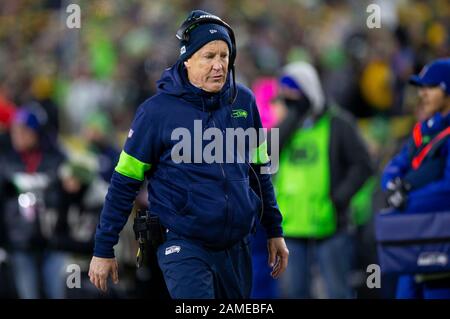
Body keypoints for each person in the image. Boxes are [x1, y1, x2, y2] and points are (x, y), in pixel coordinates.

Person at [89, 10, 289, 299]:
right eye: (209, 56)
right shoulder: (156, 112)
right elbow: (124, 184)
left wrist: (274, 229)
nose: (219, 65)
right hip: (183, 243)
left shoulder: (244, 101)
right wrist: (103, 248)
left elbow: (260, 172)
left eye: (224, 56)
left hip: (237, 246)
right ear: (188, 59)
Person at [274, 61, 373, 298]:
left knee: (337, 291)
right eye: (285, 91)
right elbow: (268, 154)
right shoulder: (287, 126)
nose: (288, 97)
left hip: (331, 226)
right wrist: (293, 119)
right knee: (294, 292)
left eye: (294, 91)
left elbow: (363, 165)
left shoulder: (339, 124)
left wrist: (338, 198)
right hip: (291, 227)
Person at [381, 58, 450, 299]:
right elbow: (395, 166)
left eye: (430, 87)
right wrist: (391, 187)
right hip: (416, 235)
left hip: (442, 239)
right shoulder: (423, 129)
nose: (422, 94)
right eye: (421, 87)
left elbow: (447, 188)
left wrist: (406, 198)